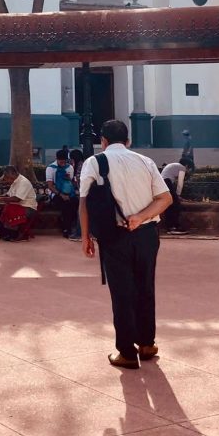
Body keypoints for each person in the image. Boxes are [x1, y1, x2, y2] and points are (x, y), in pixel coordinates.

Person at [79, 119, 172, 369]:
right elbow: (165, 198)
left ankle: (127, 352)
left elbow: (84, 203)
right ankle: (147, 343)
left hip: (114, 235)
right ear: (128, 141)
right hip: (147, 234)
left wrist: (86, 237)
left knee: (122, 293)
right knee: (145, 287)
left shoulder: (94, 162)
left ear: (103, 141)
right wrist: (140, 217)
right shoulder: (146, 162)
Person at [0, 165, 38, 241]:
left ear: (13, 174)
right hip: (19, 206)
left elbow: (17, 199)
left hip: (28, 207)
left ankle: (14, 234)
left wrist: (2, 199)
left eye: (8, 176)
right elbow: (9, 194)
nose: (7, 179)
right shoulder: (15, 181)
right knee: (4, 209)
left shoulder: (23, 182)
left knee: (11, 209)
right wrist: (0, 196)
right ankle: (8, 233)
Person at [45, 148, 78, 237]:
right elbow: (50, 186)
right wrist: (61, 194)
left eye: (64, 161)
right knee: (66, 205)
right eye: (61, 161)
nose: (63, 163)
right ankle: (66, 229)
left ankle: (74, 228)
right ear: (57, 159)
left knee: (75, 203)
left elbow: (71, 182)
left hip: (68, 192)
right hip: (56, 193)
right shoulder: (50, 168)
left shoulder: (70, 168)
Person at [160, 157, 192, 235]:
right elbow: (180, 184)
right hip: (166, 181)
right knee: (175, 205)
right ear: (187, 165)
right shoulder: (182, 168)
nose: (188, 170)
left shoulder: (175, 165)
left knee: (170, 204)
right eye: (189, 168)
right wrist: (178, 195)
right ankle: (173, 227)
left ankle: (170, 227)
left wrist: (177, 196)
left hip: (163, 182)